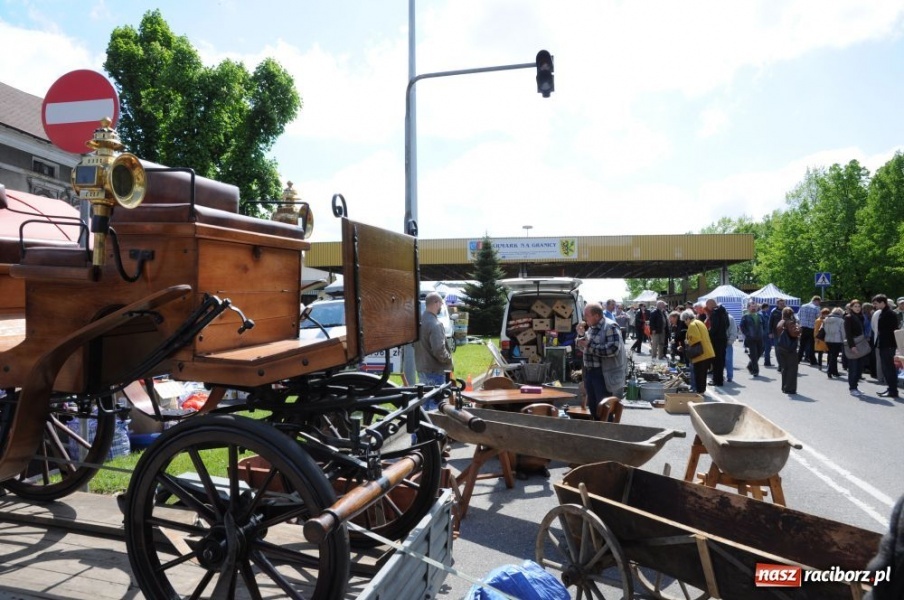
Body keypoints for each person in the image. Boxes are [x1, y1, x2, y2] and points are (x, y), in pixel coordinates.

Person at [576, 303, 626, 420]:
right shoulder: (592, 327)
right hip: (590, 373)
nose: (584, 318)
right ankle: (597, 429)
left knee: (604, 409)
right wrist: (581, 336)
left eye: (587, 315)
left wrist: (589, 345)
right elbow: (585, 347)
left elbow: (613, 349)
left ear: (597, 316)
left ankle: (607, 430)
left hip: (603, 374)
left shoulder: (610, 327)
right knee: (594, 408)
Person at [414, 292, 453, 406]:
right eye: (441, 303)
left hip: (422, 369)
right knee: (435, 407)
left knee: (425, 404)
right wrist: (449, 360)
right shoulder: (435, 324)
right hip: (435, 371)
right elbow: (439, 350)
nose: (441, 306)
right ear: (436, 303)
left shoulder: (419, 322)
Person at [872, 294, 899, 398]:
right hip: (884, 344)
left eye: (876, 303)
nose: (874, 305)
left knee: (889, 368)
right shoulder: (884, 312)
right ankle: (890, 388)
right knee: (886, 368)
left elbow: (891, 330)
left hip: (888, 344)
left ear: (882, 303)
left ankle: (892, 390)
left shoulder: (889, 314)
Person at [681, 309, 714, 394]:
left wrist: (687, 341)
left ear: (688, 319)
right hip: (707, 351)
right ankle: (702, 391)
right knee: (703, 375)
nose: (685, 323)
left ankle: (700, 393)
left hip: (700, 354)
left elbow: (696, 339)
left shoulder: (692, 325)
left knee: (699, 375)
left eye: (684, 320)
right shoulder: (699, 322)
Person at [774, 306, 800, 395]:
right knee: (792, 368)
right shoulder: (790, 322)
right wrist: (799, 329)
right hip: (790, 348)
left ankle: (784, 386)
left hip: (781, 346)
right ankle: (790, 388)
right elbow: (794, 333)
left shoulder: (781, 322)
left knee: (785, 368)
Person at [844, 299, 867, 397]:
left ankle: (856, 387)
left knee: (859, 368)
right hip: (853, 344)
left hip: (861, 344)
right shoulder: (848, 317)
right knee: (853, 368)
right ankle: (852, 388)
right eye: (855, 306)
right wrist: (852, 346)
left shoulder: (861, 317)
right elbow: (848, 333)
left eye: (859, 306)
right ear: (851, 307)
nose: (857, 308)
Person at [704, 299, 729, 387]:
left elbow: (714, 327)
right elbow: (727, 324)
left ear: (711, 304)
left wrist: (707, 334)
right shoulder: (724, 312)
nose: (707, 307)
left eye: (707, 305)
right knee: (721, 360)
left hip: (716, 339)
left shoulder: (714, 313)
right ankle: (720, 379)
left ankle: (716, 380)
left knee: (715, 361)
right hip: (723, 338)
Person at [740, 302, 764, 376]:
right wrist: (747, 334)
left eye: (755, 306)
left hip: (760, 338)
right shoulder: (745, 316)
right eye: (752, 306)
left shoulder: (760, 316)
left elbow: (764, 325)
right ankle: (755, 371)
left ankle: (750, 365)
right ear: (748, 307)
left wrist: (764, 333)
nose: (754, 308)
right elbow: (742, 327)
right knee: (754, 355)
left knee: (760, 352)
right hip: (751, 339)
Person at [797, 295, 821, 366]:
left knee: (802, 345)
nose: (818, 304)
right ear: (816, 301)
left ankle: (798, 359)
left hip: (803, 327)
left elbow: (798, 315)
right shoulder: (816, 308)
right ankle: (812, 360)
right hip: (812, 328)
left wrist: (801, 323)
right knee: (811, 345)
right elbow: (818, 318)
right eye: (818, 302)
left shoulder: (803, 306)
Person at [822, 307, 845, 379]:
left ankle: (835, 371)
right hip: (837, 339)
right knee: (834, 356)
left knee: (831, 355)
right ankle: (830, 371)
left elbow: (823, 329)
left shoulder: (826, 319)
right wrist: (844, 340)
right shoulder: (841, 320)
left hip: (828, 339)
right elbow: (843, 332)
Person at [768, 299, 787, 372]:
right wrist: (770, 332)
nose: (782, 305)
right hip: (776, 333)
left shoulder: (787, 311)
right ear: (777, 304)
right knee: (778, 350)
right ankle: (780, 365)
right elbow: (770, 322)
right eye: (780, 303)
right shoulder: (774, 311)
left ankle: (784, 364)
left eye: (783, 303)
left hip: (786, 333)